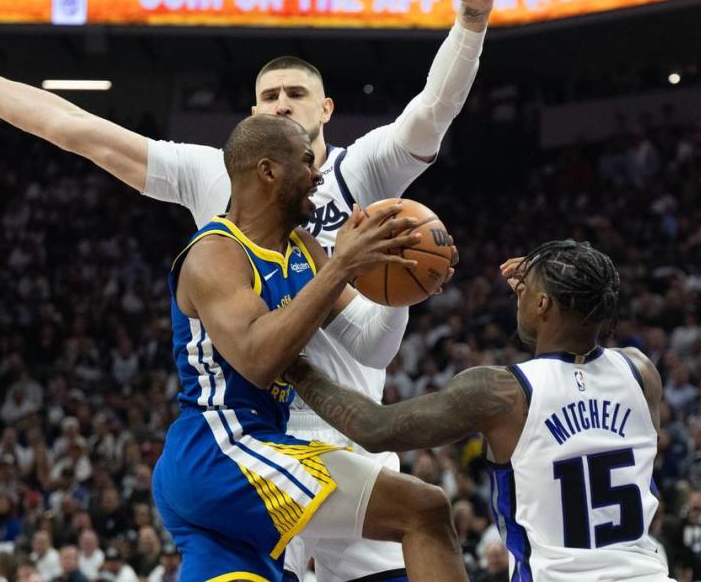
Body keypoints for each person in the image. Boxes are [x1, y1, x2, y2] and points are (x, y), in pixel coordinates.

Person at [0, 0, 497, 579]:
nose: (282, 106)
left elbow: (430, 115)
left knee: (418, 517)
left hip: (341, 437)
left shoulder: (361, 175)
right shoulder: (215, 181)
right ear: (252, 128)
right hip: (256, 441)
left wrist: (470, 22)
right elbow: (77, 130)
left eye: (296, 95)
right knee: (417, 512)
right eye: (268, 98)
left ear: (326, 110)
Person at [152, 114, 465, 580]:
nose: (318, 172)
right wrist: (340, 268)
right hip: (222, 449)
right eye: (305, 161)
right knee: (424, 508)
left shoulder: (300, 245)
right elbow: (258, 359)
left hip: (237, 458)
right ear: (268, 171)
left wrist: (402, 288)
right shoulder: (216, 253)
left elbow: (367, 341)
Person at [285, 239, 676, 581]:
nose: (516, 295)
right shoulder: (641, 372)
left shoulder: (502, 393)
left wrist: (292, 363)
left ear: (543, 303)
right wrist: (557, 282)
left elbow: (375, 428)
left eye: (527, 292)